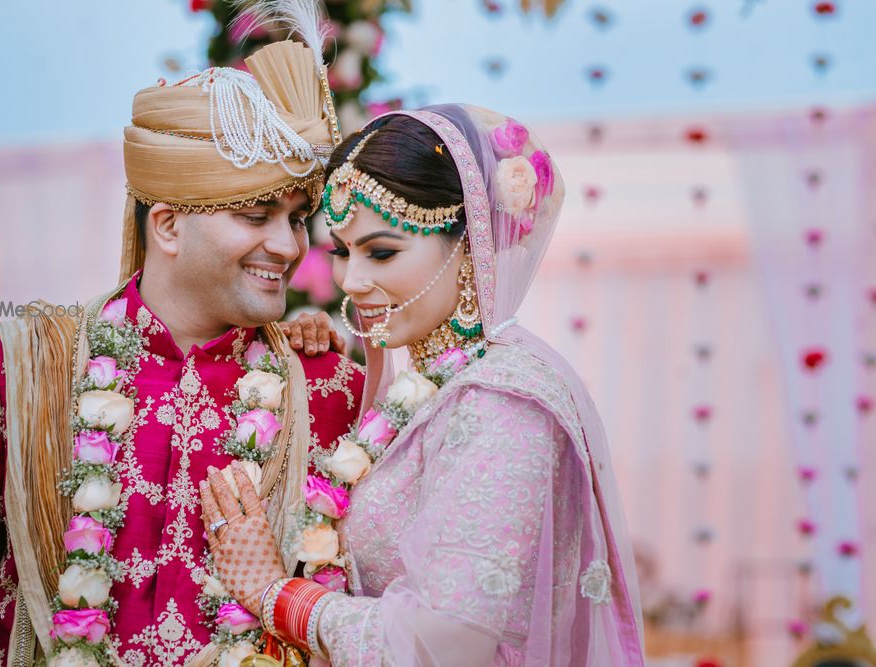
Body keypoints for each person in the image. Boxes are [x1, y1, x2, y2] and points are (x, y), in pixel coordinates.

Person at [0, 7, 365, 664]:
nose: (288, 245)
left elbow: (361, 610)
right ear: (167, 225)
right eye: (257, 213)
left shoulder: (330, 385)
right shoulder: (23, 364)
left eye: (297, 216)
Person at [199, 105, 646, 665]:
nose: (353, 281)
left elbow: (447, 645)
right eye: (342, 250)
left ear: (468, 245)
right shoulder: (444, 380)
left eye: (382, 252)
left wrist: (275, 594)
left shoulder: (504, 403)